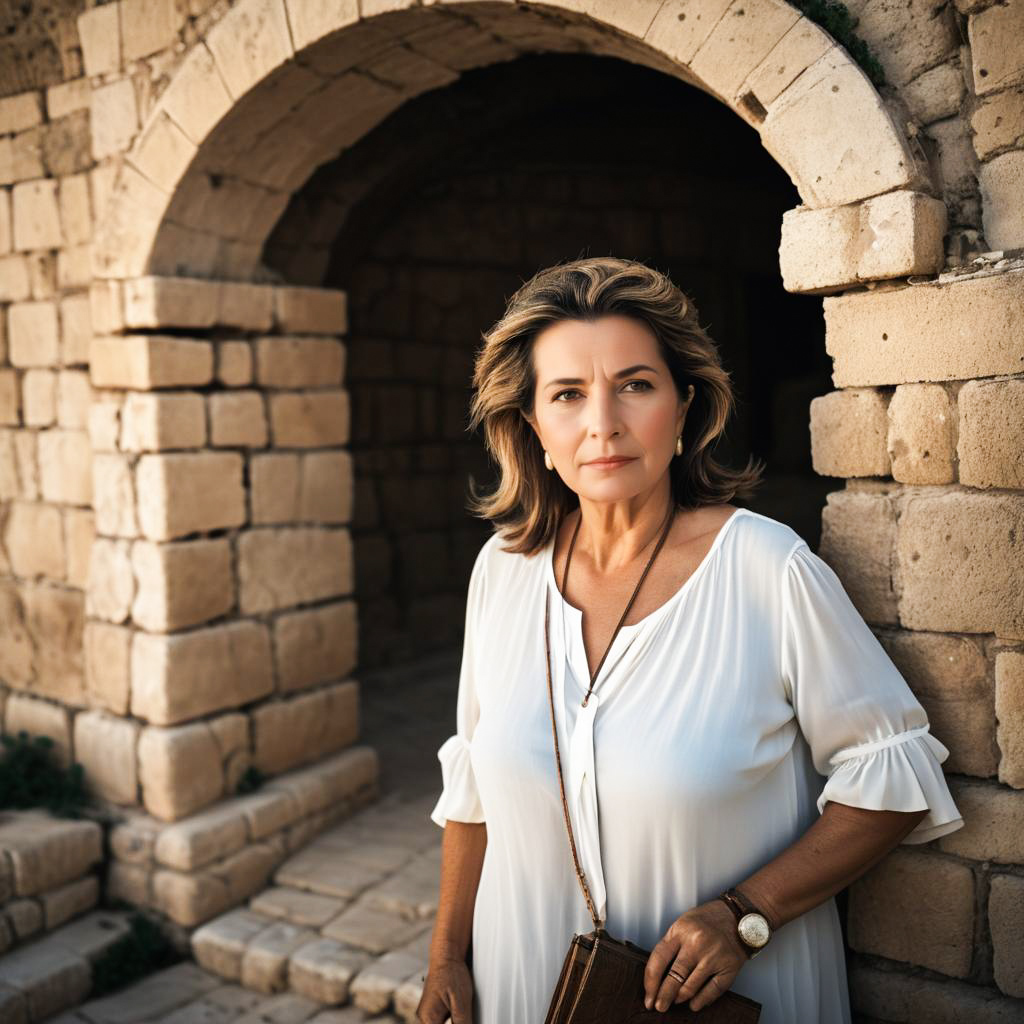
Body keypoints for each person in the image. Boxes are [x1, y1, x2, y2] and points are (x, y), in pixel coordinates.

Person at [415, 256, 965, 1024]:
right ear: (535, 427)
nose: (603, 423)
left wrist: (749, 914)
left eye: (635, 385)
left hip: (723, 999)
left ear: (684, 407)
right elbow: (473, 786)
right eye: (568, 395)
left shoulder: (767, 570)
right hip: (522, 987)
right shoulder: (503, 571)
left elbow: (892, 776)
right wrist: (447, 960)